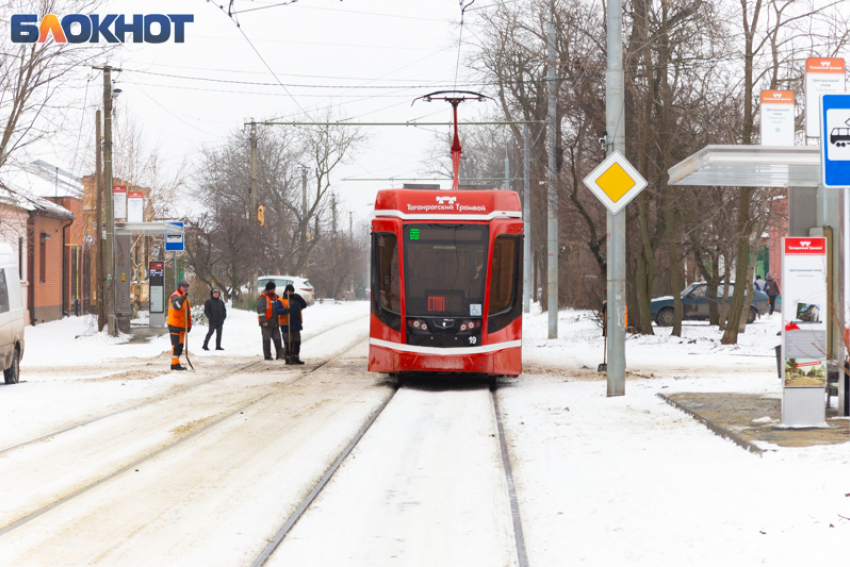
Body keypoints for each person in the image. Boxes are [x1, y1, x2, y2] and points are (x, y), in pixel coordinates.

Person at [276, 283, 308, 365]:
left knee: (297, 342)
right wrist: (285, 311)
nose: (291, 293)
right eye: (289, 291)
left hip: (296, 324)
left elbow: (304, 305)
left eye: (292, 291)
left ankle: (296, 357)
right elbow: (277, 310)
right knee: (288, 342)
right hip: (286, 325)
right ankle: (288, 358)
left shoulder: (296, 300)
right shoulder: (281, 300)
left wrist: (299, 297)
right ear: (286, 292)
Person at [167, 280, 192, 371]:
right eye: (184, 287)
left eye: (186, 287)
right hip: (174, 324)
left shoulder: (185, 298)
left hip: (181, 326)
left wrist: (188, 326)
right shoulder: (175, 296)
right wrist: (183, 296)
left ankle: (176, 363)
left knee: (180, 346)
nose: (185, 288)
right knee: (176, 345)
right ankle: (175, 364)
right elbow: (177, 306)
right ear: (180, 287)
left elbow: (187, 314)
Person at [257, 281, 284, 361]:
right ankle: (267, 355)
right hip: (266, 323)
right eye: (273, 289)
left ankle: (280, 355)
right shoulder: (263, 297)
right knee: (266, 339)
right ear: (269, 289)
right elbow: (260, 310)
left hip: (275, 322)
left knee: (277, 338)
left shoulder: (275, 297)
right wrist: (264, 321)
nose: (274, 290)